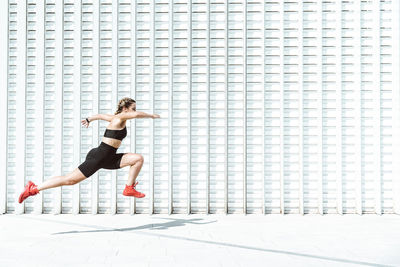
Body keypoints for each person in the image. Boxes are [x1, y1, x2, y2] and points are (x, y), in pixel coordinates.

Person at [18, 97, 160, 203]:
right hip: (98, 157)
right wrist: (151, 115)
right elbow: (135, 115)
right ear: (125, 109)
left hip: (109, 157)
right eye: (133, 108)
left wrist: (89, 119)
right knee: (70, 180)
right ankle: (33, 188)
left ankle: (129, 188)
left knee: (137, 159)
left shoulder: (115, 118)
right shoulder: (120, 118)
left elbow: (99, 115)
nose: (134, 112)